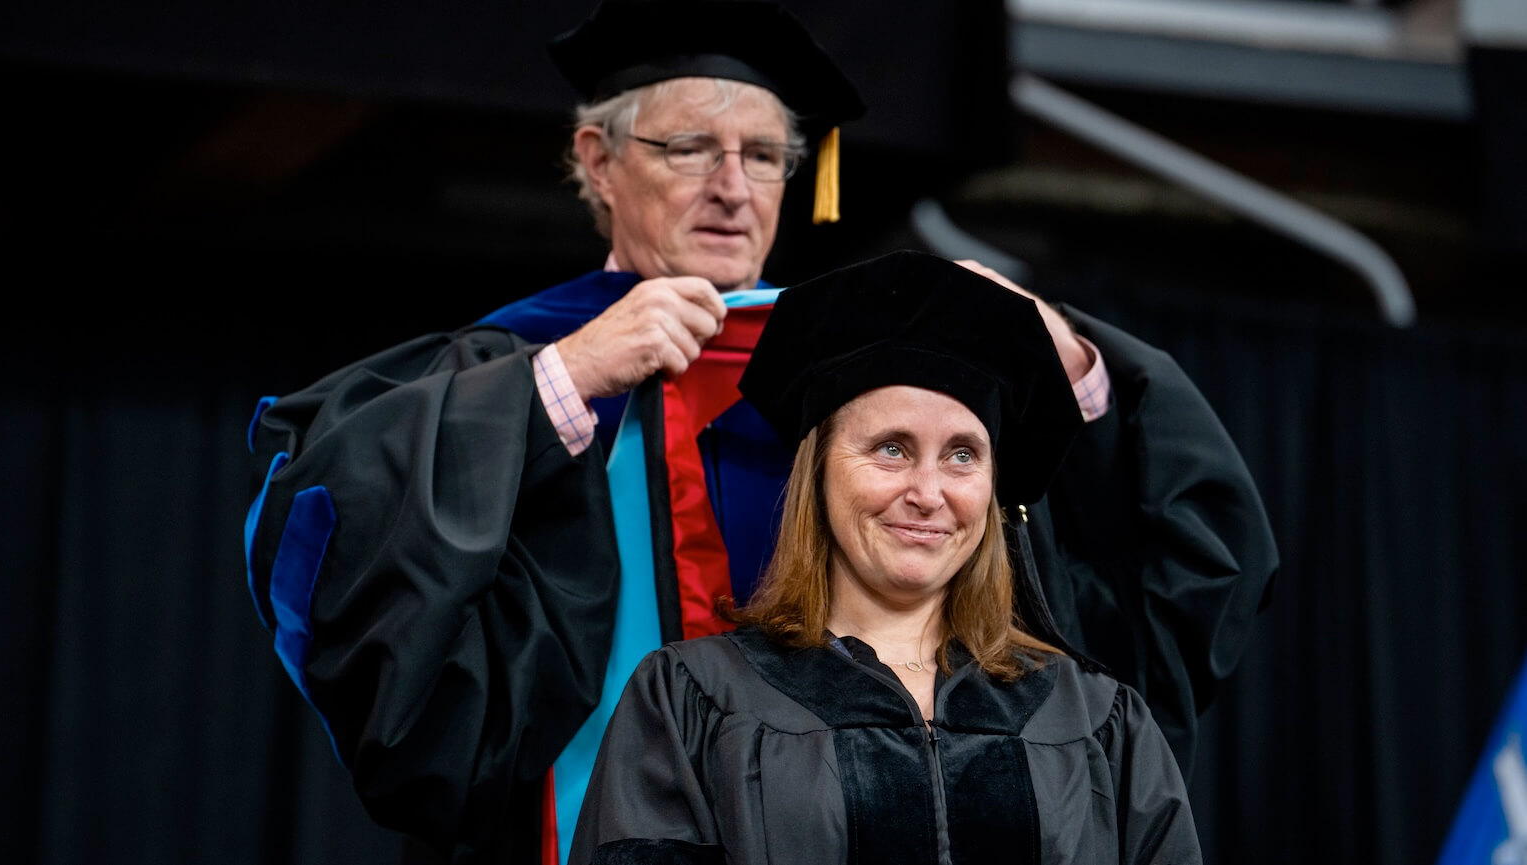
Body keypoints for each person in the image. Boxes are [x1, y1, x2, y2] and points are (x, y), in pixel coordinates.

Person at [241, 1, 1273, 862]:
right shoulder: (521, 363)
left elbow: (1158, 591)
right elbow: (332, 537)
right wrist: (564, 379)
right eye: (688, 147)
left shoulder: (882, 381)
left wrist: (1070, 361)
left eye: (766, 154)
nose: (732, 186)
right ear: (596, 162)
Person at [569, 250, 1201, 865]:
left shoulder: (1097, 721)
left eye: (962, 455)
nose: (928, 495)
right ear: (818, 474)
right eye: (891, 449)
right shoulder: (692, 702)